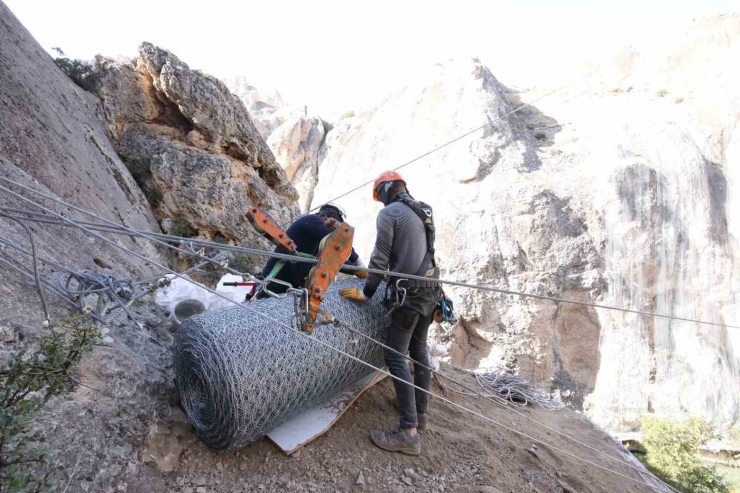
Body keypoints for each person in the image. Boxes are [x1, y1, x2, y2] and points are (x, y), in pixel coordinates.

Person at [339, 170, 440, 455]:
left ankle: (408, 433)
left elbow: (380, 257)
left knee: (395, 356)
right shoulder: (423, 210)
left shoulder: (390, 213)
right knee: (419, 350)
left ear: (383, 191)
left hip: (410, 294)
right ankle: (421, 414)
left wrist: (366, 291)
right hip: (431, 289)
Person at [256, 203, 366, 297]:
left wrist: (354, 270)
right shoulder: (312, 220)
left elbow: (332, 260)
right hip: (273, 284)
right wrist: (358, 263)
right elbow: (338, 243)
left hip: (284, 287)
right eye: (334, 229)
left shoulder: (317, 240)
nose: (335, 233)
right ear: (327, 218)